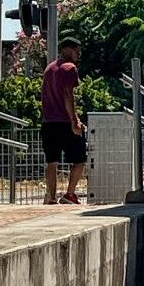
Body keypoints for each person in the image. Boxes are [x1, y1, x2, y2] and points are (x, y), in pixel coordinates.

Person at [41, 37, 85, 205]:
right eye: (76, 50)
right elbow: (68, 94)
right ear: (67, 49)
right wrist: (74, 120)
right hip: (65, 122)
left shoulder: (49, 68)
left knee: (51, 161)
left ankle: (51, 197)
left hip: (48, 122)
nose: (78, 54)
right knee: (79, 158)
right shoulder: (69, 68)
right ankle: (70, 193)